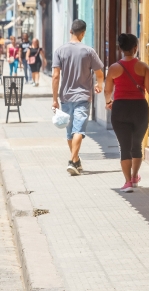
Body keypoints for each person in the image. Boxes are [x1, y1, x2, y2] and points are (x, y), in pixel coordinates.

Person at [104, 34, 149, 193]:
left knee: (125, 146)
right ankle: (134, 176)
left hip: (120, 109)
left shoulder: (113, 68)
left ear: (120, 49)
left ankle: (127, 182)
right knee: (136, 145)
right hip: (139, 108)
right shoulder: (143, 67)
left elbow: (108, 90)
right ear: (135, 48)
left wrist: (108, 102)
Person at [52, 20, 104, 176]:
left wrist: (54, 99)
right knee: (78, 130)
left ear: (70, 31)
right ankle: (73, 161)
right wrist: (99, 84)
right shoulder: (89, 51)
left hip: (65, 97)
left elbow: (55, 76)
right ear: (83, 33)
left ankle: (75, 161)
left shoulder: (59, 51)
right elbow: (100, 73)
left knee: (70, 132)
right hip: (83, 96)